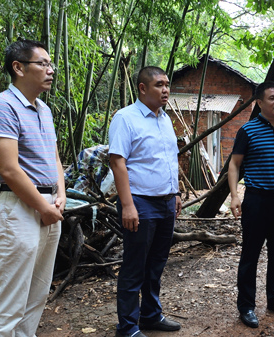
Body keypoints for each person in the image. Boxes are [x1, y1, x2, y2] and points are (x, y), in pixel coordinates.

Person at [0, 39, 66, 337]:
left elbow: (54, 158)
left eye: (50, 64)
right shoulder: (1, 105)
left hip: (49, 204)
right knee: (9, 299)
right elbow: (8, 169)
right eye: (42, 63)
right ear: (18, 67)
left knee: (36, 293)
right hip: (15, 207)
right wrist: (44, 207)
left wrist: (61, 195)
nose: (50, 70)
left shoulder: (44, 109)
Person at [109, 66, 182, 337]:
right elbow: (117, 161)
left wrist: (175, 193)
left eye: (167, 85)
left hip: (165, 202)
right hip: (140, 202)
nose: (166, 90)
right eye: (159, 85)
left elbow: (168, 159)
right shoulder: (125, 118)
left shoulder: (164, 118)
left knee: (156, 264)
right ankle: (127, 326)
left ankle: (150, 315)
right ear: (142, 88)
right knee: (135, 266)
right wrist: (128, 204)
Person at [228, 81, 274, 328]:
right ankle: (246, 306)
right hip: (257, 201)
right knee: (250, 255)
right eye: (272, 98)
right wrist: (235, 196)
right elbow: (234, 164)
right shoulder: (247, 131)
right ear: (259, 103)